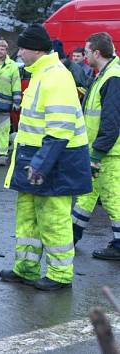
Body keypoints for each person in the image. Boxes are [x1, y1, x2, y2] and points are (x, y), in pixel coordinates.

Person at [0, 24, 91, 291]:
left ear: (35, 49)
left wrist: (40, 164)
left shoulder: (55, 76)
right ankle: (26, 268)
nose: (19, 53)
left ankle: (60, 275)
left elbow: (60, 129)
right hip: (38, 159)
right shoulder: (42, 73)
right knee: (27, 217)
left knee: (53, 219)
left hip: (53, 161)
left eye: (22, 48)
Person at [71, 32, 120, 261]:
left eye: (87, 51)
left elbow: (111, 121)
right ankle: (71, 235)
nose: (85, 55)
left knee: (113, 198)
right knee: (87, 194)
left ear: (97, 53)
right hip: (101, 150)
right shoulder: (106, 74)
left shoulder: (112, 77)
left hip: (109, 153)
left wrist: (97, 153)